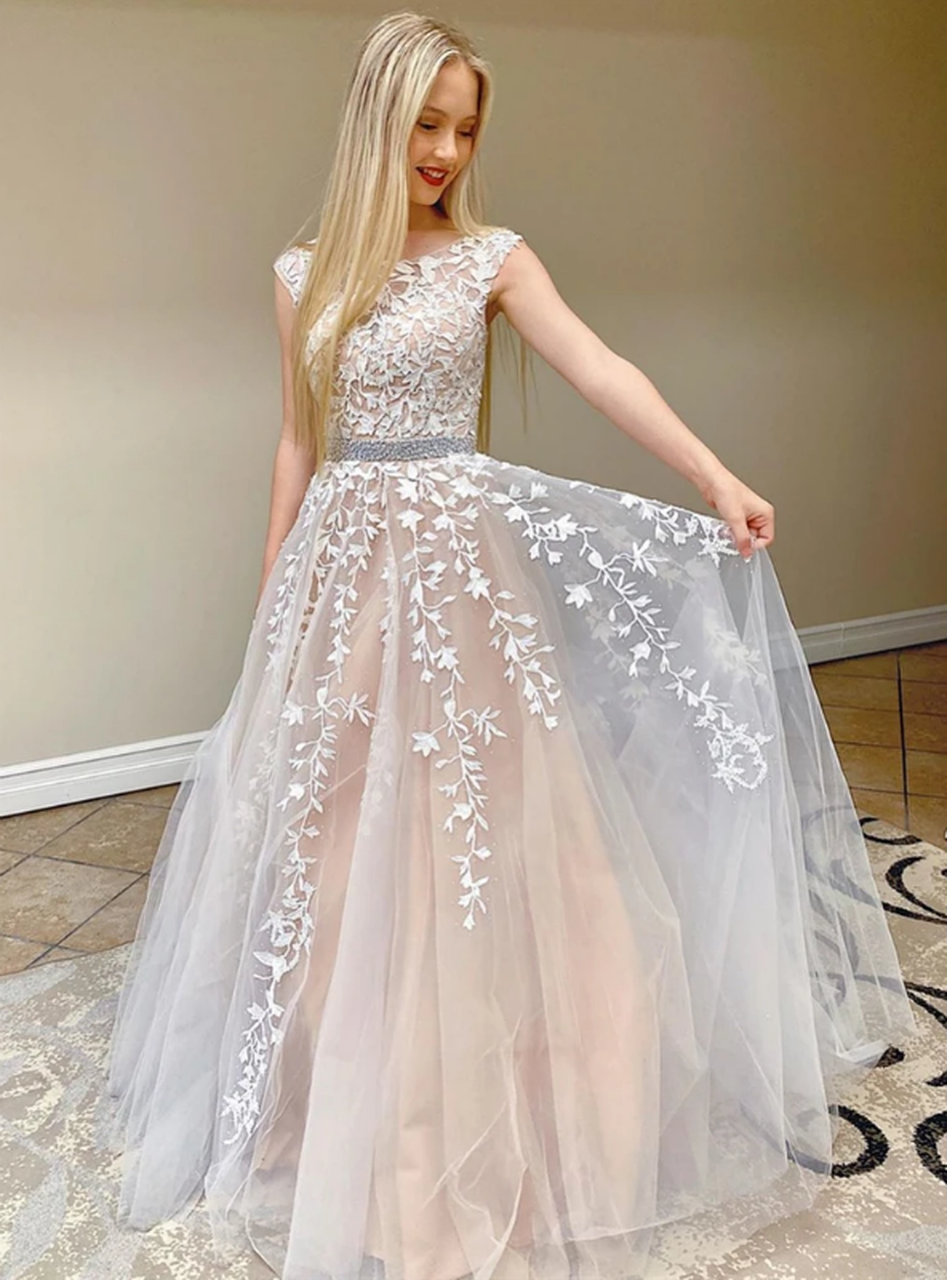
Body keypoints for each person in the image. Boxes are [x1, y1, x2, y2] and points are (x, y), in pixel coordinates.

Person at [106, 11, 916, 1280]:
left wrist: (713, 473)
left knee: (480, 823)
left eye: (465, 128)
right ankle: (344, 1101)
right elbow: (298, 440)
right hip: (343, 568)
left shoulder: (490, 257)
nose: (444, 150)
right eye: (425, 124)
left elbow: (596, 363)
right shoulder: (299, 271)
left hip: (454, 569)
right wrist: (273, 600)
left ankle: (520, 1102)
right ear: (375, 120)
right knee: (331, 841)